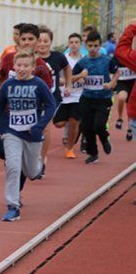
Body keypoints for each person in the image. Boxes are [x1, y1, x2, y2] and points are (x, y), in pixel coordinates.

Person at [0, 48, 57, 221]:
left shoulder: (38, 85)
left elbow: (51, 106)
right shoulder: (8, 85)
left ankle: (38, 166)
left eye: (26, 66)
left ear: (33, 67)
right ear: (14, 66)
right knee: (13, 166)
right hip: (12, 132)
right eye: (19, 65)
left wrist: (40, 125)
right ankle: (13, 206)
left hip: (33, 135)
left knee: (31, 172)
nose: (22, 69)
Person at [71, 31, 117, 164]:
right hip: (87, 98)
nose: (92, 49)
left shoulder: (106, 60)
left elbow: (117, 71)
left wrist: (112, 83)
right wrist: (80, 78)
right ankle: (93, 153)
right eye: (90, 46)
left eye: (95, 46)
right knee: (86, 127)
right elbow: (73, 77)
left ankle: (104, 139)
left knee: (98, 125)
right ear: (86, 45)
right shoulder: (83, 62)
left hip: (103, 99)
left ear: (99, 45)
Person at [0, 23, 52, 110]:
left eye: (31, 39)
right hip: (7, 109)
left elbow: (47, 93)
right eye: (23, 39)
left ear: (37, 41)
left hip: (29, 113)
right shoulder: (8, 58)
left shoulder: (42, 67)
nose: (26, 42)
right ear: (19, 40)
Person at [35, 25, 71, 171]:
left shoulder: (58, 57)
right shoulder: (31, 58)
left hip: (51, 98)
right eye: (40, 40)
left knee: (45, 128)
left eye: (46, 41)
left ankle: (41, 159)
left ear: (51, 42)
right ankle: (32, 156)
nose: (42, 44)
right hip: (33, 99)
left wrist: (68, 85)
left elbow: (67, 68)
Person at [53, 33, 87, 159]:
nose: (73, 44)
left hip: (78, 96)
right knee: (59, 123)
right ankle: (69, 119)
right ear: (68, 44)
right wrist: (78, 77)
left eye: (76, 42)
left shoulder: (85, 60)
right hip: (63, 96)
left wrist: (85, 79)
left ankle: (70, 148)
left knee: (74, 122)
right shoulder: (63, 59)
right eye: (71, 42)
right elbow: (60, 80)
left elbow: (89, 77)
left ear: (80, 44)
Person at [114, 20, 136, 142]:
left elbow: (121, 50)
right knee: (122, 97)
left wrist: (132, 27)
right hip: (124, 83)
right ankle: (121, 118)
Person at [112, 56, 134, 137]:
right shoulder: (118, 55)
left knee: (131, 106)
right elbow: (111, 70)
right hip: (122, 82)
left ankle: (130, 128)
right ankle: (120, 118)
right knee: (122, 98)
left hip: (133, 82)